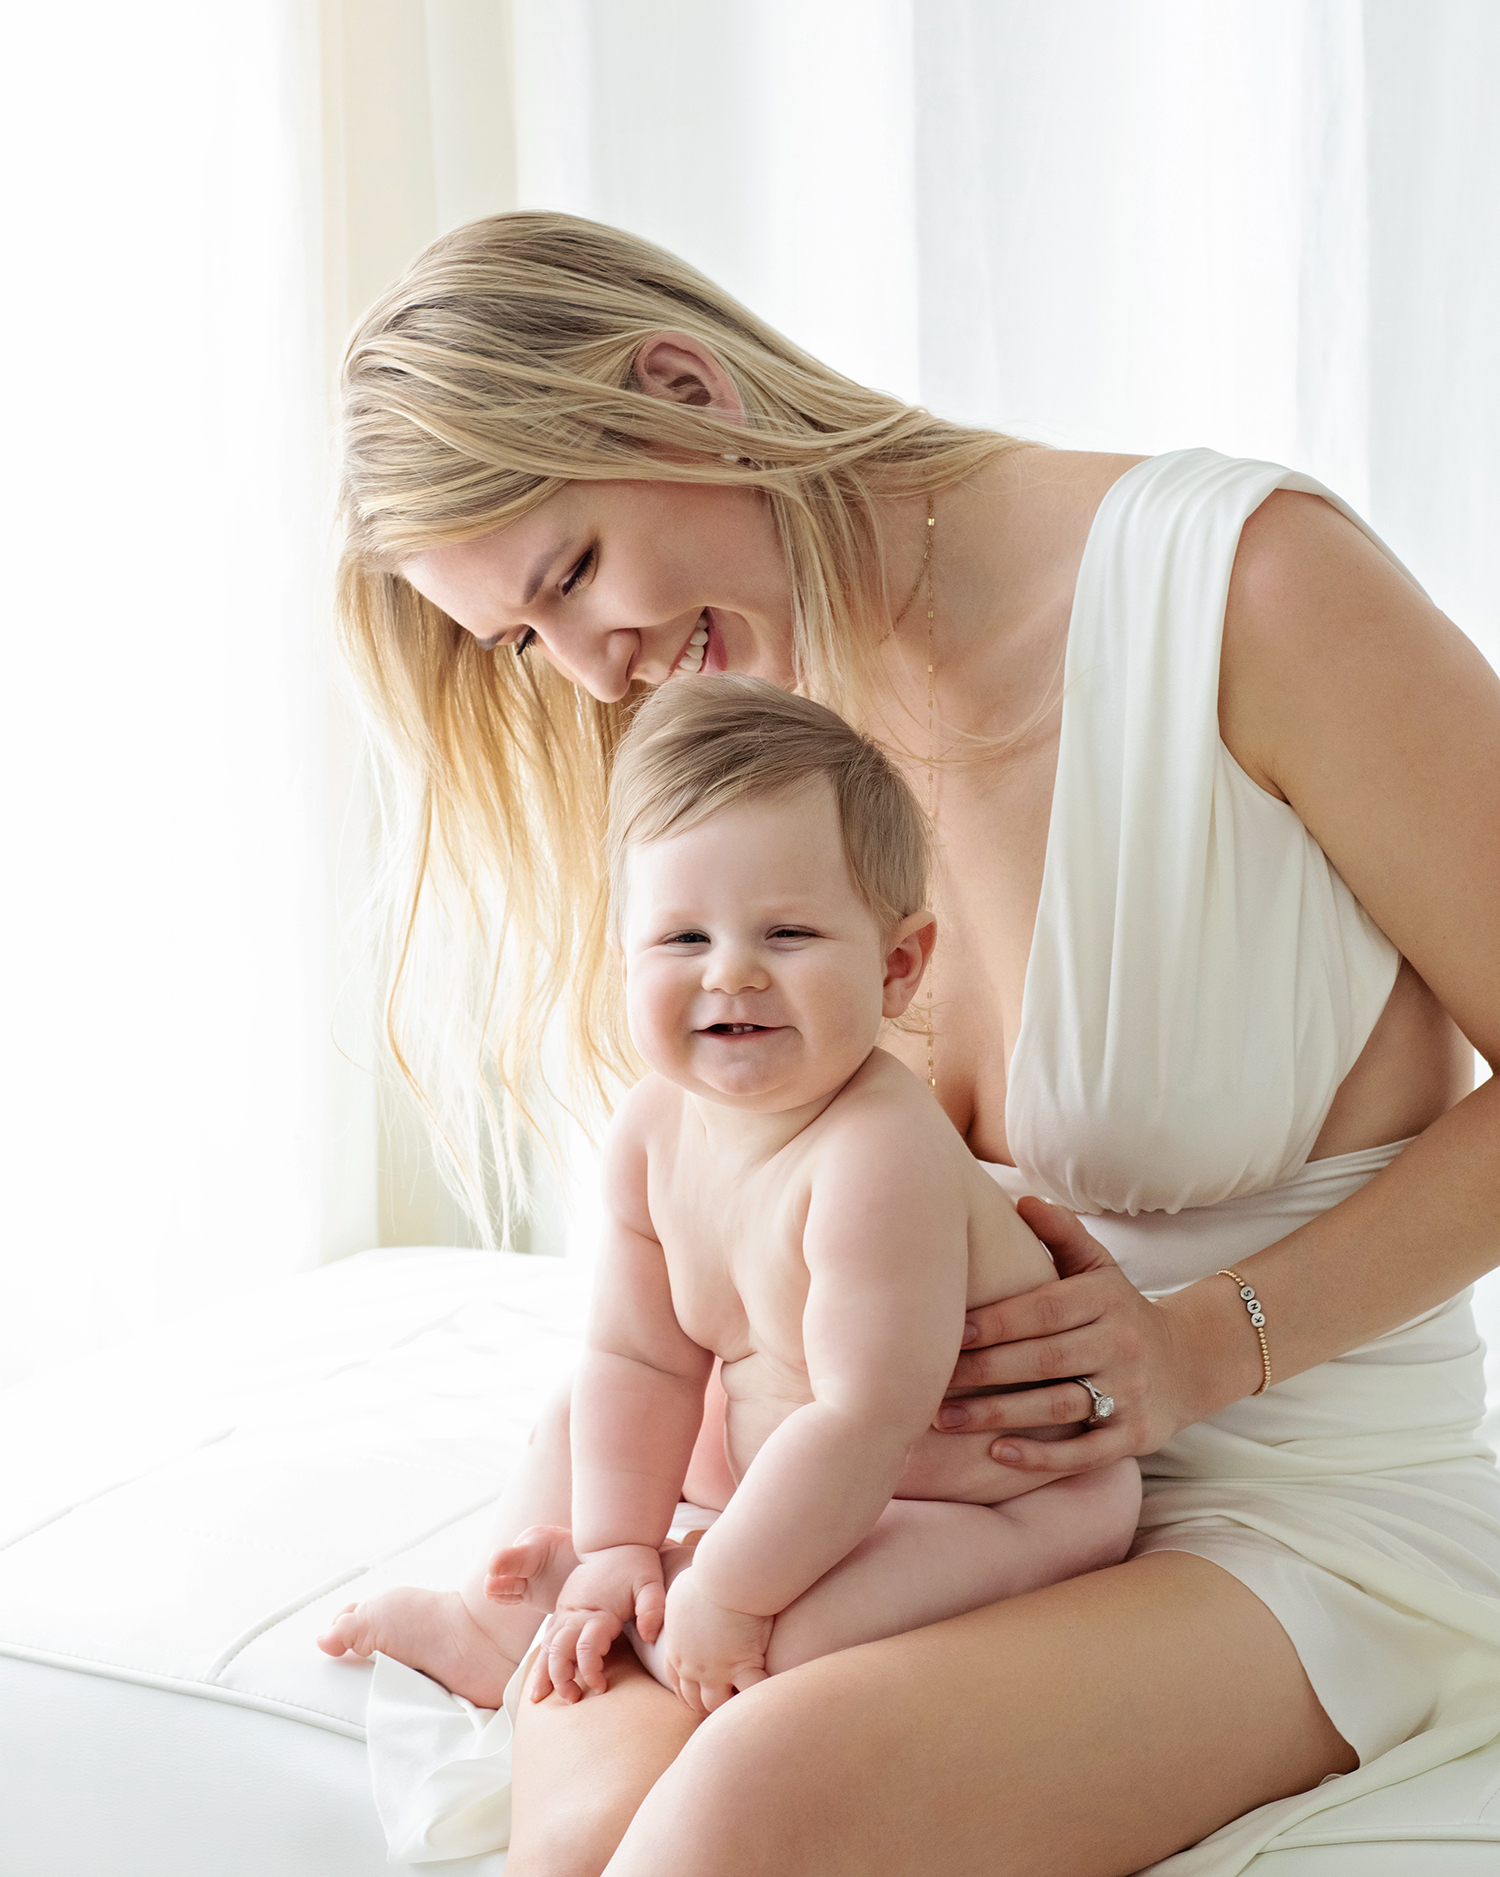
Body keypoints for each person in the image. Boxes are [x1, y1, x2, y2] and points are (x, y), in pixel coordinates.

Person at [329, 211, 1500, 1877]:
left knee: (735, 1818)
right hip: (868, 1506)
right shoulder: (744, 733)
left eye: (575, 572)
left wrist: (1194, 1348)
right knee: (582, 1825)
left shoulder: (1244, 586)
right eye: (526, 640)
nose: (593, 677)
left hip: (1286, 1498)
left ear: (685, 388)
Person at [319, 677, 1141, 1711]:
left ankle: (671, 1597)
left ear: (897, 965)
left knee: (777, 1640)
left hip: (988, 1493)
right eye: (684, 938)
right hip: (785, 1454)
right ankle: (511, 1621)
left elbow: (861, 1417)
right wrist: (618, 1540)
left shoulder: (877, 1153)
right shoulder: (650, 1132)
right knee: (583, 1406)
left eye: (788, 935)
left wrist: (732, 1590)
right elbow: (642, 1355)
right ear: (625, 957)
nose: (733, 973)